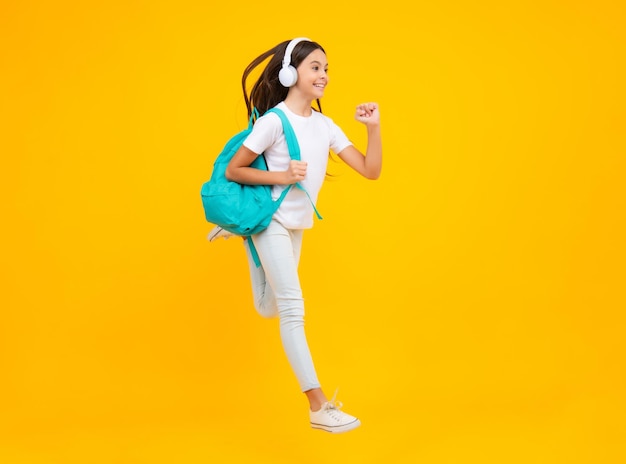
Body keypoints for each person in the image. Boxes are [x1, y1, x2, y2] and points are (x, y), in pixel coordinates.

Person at [208, 37, 382, 433]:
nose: (324, 75)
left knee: (269, 307)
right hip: (273, 220)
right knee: (291, 309)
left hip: (295, 224)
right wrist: (282, 176)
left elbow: (371, 170)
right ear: (291, 73)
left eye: (325, 68)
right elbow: (236, 170)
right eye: (315, 67)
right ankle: (319, 406)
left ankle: (239, 227)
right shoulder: (274, 121)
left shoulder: (325, 125)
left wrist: (373, 128)